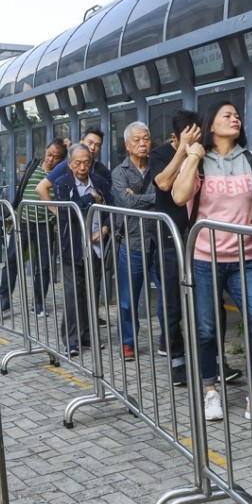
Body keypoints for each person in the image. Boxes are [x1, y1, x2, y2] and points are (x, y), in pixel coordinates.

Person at [171, 102, 252, 423]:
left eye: (237, 115)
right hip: (205, 259)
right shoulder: (200, 161)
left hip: (245, 260)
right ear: (210, 124)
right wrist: (193, 156)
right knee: (205, 330)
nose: (235, 119)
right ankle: (210, 392)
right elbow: (179, 196)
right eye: (226, 115)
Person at [146, 110, 202, 387]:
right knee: (172, 302)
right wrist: (183, 150)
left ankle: (211, 359)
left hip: (199, 237)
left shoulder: (203, 152)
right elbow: (163, 183)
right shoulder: (159, 155)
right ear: (174, 137)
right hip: (170, 238)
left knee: (206, 300)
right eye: (187, 138)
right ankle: (177, 356)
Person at [0, 139, 67, 317]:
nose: (51, 159)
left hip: (45, 225)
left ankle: (39, 304)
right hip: (24, 223)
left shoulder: (61, 172)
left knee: (43, 266)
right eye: (49, 154)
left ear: (62, 159)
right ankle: (5, 301)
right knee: (11, 260)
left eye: (56, 157)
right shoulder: (33, 165)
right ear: (45, 150)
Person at [53, 144, 113, 356]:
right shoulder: (62, 183)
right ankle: (71, 340)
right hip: (74, 248)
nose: (82, 166)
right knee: (72, 294)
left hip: (96, 246)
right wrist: (91, 198)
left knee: (91, 293)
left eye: (86, 162)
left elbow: (110, 209)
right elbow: (68, 209)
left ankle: (87, 336)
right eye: (77, 162)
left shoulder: (100, 182)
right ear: (69, 164)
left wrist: (105, 228)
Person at [111, 122, 156, 361]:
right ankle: (128, 342)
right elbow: (126, 204)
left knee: (169, 294)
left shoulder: (157, 167)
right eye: (137, 140)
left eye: (146, 139)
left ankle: (169, 339)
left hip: (157, 239)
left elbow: (164, 196)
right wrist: (150, 198)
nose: (142, 143)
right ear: (127, 145)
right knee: (128, 298)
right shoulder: (119, 172)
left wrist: (138, 196)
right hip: (132, 241)